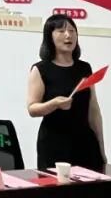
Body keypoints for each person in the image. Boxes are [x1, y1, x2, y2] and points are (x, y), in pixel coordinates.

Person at [27, 14, 106, 171]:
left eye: (72, 30)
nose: (68, 35)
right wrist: (54, 103)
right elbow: (32, 109)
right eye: (61, 31)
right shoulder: (41, 69)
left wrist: (101, 148)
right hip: (55, 143)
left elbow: (93, 109)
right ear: (49, 36)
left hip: (85, 142)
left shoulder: (84, 68)